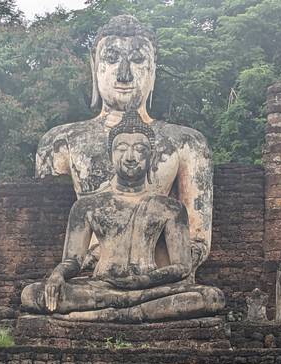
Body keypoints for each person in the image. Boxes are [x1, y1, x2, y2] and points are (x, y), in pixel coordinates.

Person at [36, 15, 213, 270]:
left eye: (138, 59)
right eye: (111, 58)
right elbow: (46, 237)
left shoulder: (186, 142)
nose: (124, 74)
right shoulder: (61, 142)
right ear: (94, 64)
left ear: (153, 69)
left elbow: (197, 241)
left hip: (154, 276)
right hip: (89, 276)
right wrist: (87, 263)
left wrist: (147, 270)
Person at [22, 112, 224, 322]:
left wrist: (142, 281)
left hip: (149, 287)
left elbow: (182, 267)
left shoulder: (170, 208)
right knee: (32, 294)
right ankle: (131, 313)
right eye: (122, 149)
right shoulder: (87, 206)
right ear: (111, 155)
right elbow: (73, 260)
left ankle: (108, 314)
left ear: (151, 157)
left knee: (210, 297)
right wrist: (58, 274)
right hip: (101, 286)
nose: (130, 157)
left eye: (140, 150)